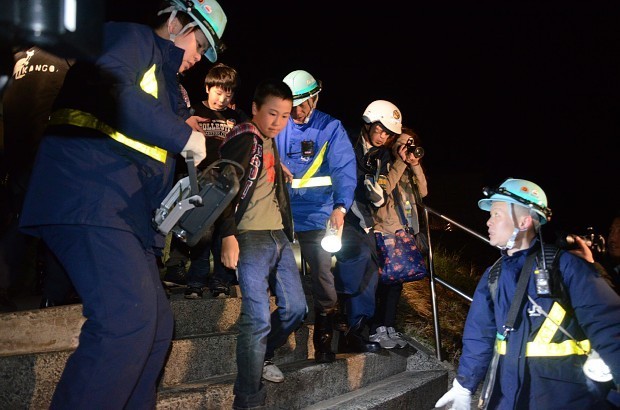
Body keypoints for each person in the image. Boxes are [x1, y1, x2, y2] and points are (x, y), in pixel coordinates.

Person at [17, 1, 228, 407]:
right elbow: (111, 87)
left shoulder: (168, 89)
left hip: (124, 214)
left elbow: (152, 164)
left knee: (157, 327)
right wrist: (182, 136)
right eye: (197, 44)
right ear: (173, 21)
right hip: (87, 192)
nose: (197, 58)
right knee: (125, 321)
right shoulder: (129, 37)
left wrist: (163, 224)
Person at [435, 178, 620, 410]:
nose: (488, 222)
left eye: (497, 215)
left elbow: (610, 329)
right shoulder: (493, 275)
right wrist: (464, 386)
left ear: (524, 222)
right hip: (505, 398)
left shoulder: (565, 267)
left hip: (564, 399)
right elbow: (478, 336)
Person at [217, 79, 307, 410]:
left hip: (279, 236)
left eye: (285, 116)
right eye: (272, 113)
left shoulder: (268, 142)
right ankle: (248, 398)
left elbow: (261, 177)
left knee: (297, 308)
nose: (278, 122)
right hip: (250, 237)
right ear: (255, 109)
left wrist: (277, 172)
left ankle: (265, 353)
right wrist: (228, 233)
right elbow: (221, 184)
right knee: (257, 320)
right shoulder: (244, 137)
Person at [276, 69, 356, 363]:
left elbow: (344, 170)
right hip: (281, 214)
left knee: (323, 274)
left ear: (315, 98)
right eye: (291, 104)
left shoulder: (331, 127)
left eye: (301, 104)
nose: (296, 111)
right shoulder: (279, 123)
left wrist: (341, 208)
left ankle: (323, 335)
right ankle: (278, 330)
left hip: (318, 215)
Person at [0, 46, 77, 310]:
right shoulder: (66, 55)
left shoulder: (16, 58)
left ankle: (4, 287)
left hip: (17, 152)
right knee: (61, 223)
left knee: (20, 220)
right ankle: (55, 293)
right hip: (51, 152)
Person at [164, 62, 248, 299]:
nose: (222, 99)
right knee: (202, 232)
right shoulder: (193, 113)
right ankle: (196, 281)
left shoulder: (236, 117)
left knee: (224, 232)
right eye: (218, 92)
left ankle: (221, 281)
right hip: (199, 182)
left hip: (226, 185)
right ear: (208, 88)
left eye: (228, 94)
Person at [333, 99, 404, 353]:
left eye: (389, 133)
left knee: (372, 272)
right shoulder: (345, 141)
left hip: (363, 219)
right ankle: (337, 313)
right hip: (337, 213)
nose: (383, 137)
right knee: (357, 257)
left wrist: (379, 196)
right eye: (380, 129)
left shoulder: (382, 155)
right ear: (368, 123)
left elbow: (382, 186)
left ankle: (358, 329)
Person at [369, 126, 428, 349]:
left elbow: (423, 192)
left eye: (411, 143)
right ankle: (376, 327)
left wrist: (415, 165)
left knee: (397, 283)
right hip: (385, 230)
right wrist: (401, 162)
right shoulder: (384, 164)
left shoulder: (409, 169)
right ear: (392, 144)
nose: (407, 147)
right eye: (402, 143)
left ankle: (389, 326)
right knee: (383, 282)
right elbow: (383, 192)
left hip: (404, 233)